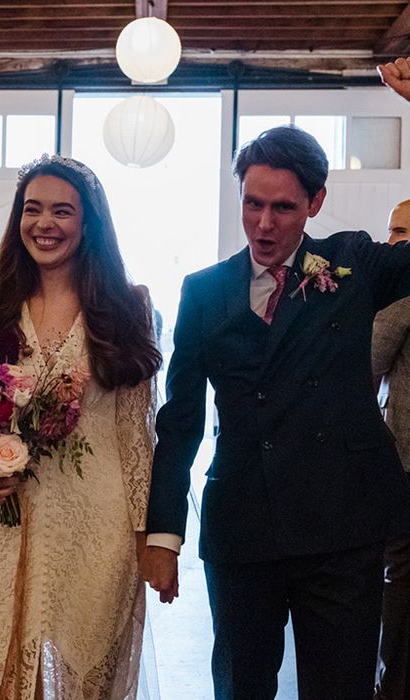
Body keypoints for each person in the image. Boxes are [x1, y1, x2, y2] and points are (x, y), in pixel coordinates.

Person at [139, 120, 410, 699]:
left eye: (283, 208)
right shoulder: (204, 291)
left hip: (343, 522)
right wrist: (163, 534)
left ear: (316, 201)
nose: (263, 225)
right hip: (244, 523)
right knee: (240, 686)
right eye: (252, 204)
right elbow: (181, 418)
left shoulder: (351, 264)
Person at [0, 154, 162, 698]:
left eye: (62, 211)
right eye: (32, 210)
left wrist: (150, 540)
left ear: (88, 222)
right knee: (0, 666)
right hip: (7, 519)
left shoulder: (126, 307)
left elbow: (136, 437)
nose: (44, 224)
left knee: (83, 671)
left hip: (98, 522)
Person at [373, 198, 410, 699]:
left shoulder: (403, 294)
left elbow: (367, 357)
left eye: (401, 230)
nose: (392, 241)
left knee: (398, 576)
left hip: (404, 458)